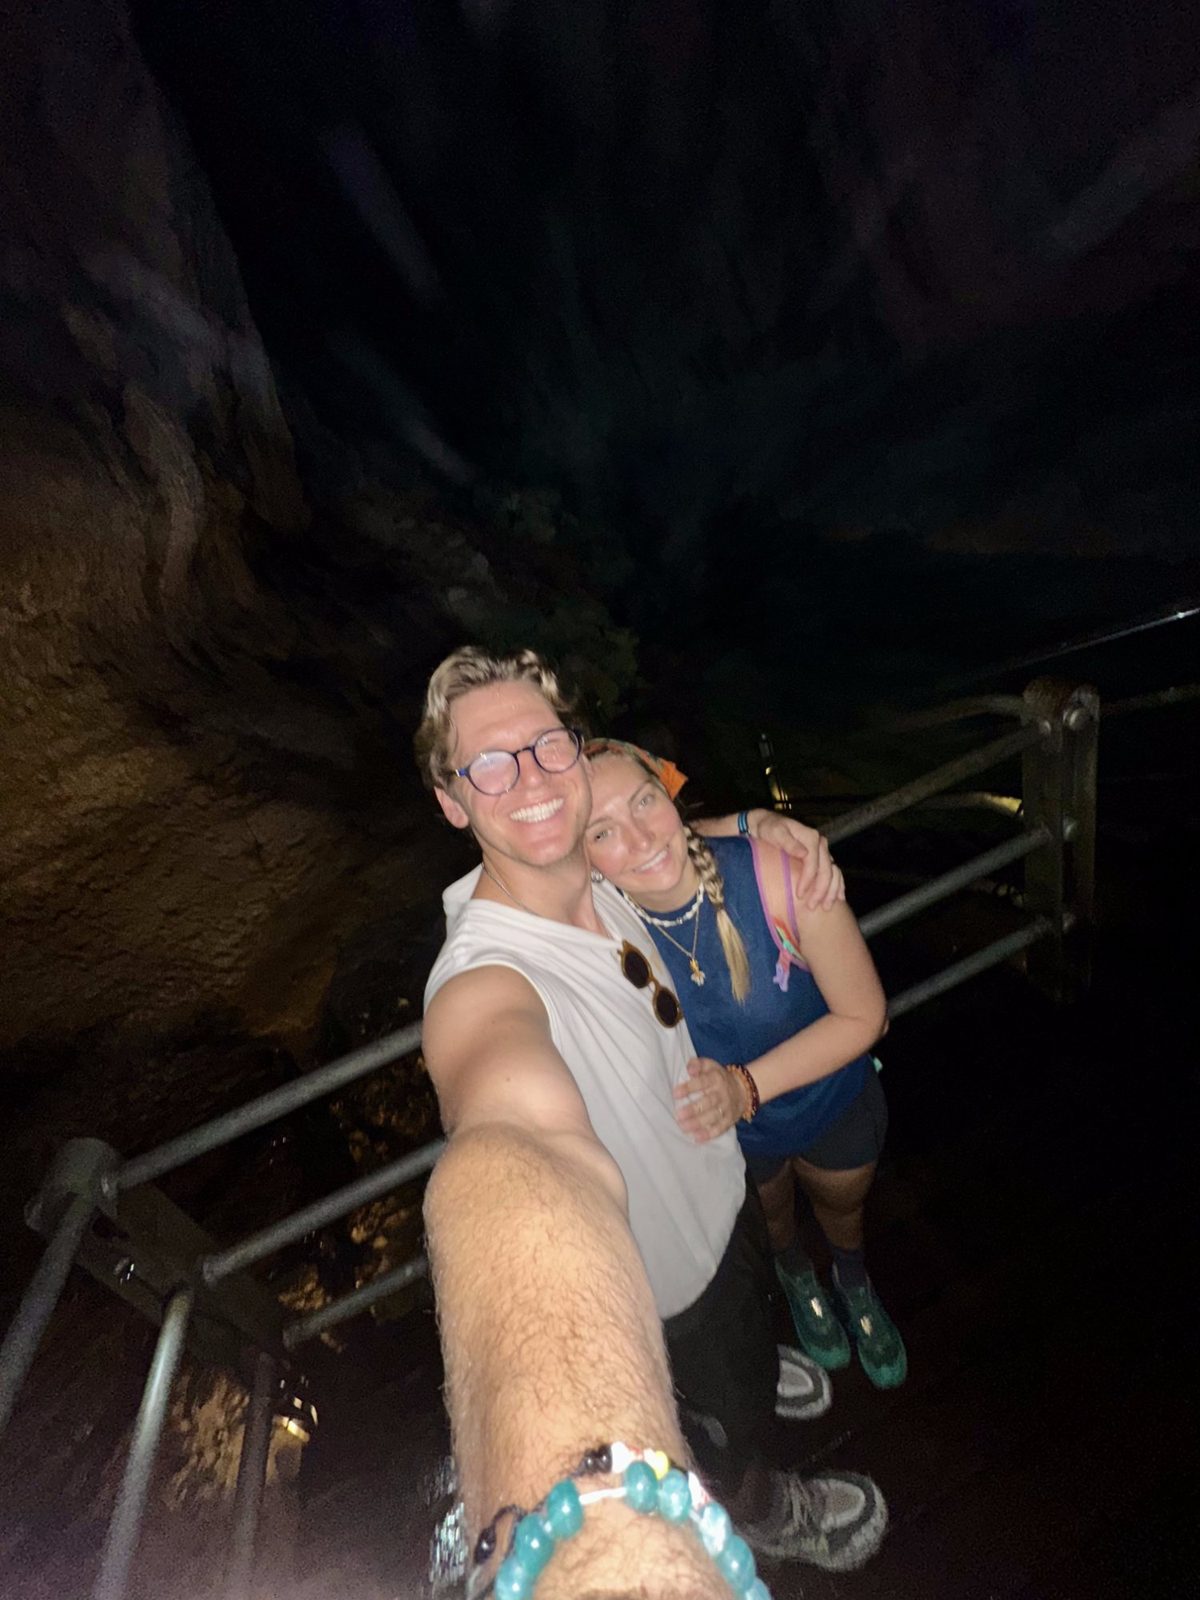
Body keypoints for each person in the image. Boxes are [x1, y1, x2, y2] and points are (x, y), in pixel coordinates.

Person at [415, 646, 887, 1599]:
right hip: (665, 1290)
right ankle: (760, 1505)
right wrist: (571, 1505)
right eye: (490, 765)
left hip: (727, 1198)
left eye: (547, 748)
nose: (534, 781)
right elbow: (513, 1146)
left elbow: (659, 833)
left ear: (576, 754)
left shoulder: (602, 883)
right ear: (452, 800)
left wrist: (765, 824)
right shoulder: (487, 982)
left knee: (749, 1345)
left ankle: (756, 1373)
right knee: (723, 1422)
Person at [584, 739, 906, 1390]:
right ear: (581, 858)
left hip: (830, 1101)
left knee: (843, 1207)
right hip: (727, 1135)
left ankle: (851, 1276)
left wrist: (745, 1085)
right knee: (774, 1216)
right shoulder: (602, 931)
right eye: (602, 830)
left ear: (669, 797)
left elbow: (866, 1015)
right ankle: (795, 1274)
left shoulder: (776, 874)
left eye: (645, 801)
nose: (641, 835)